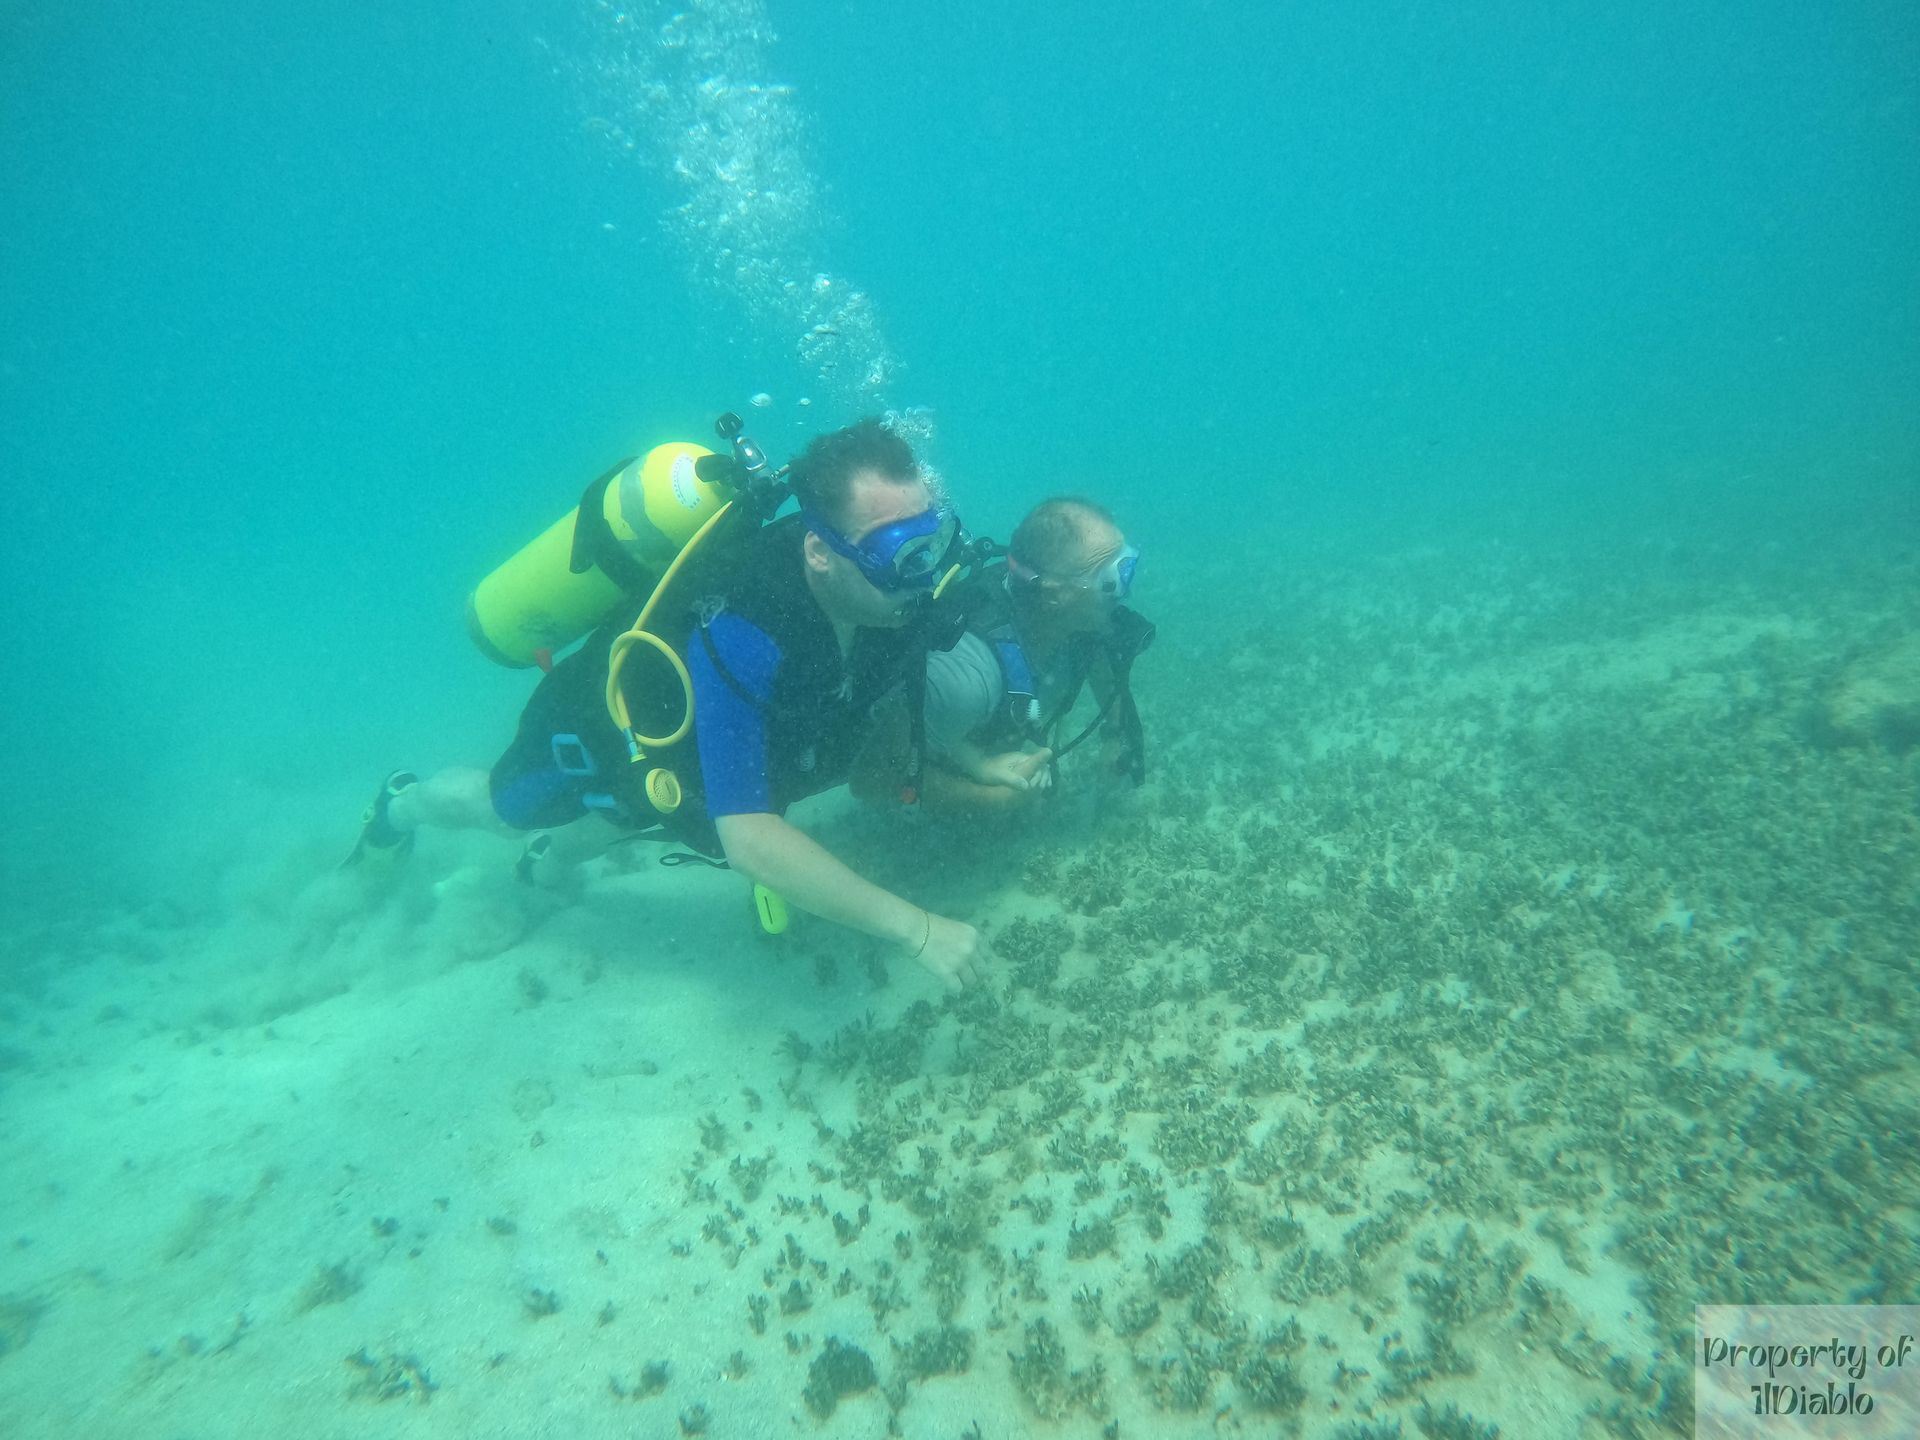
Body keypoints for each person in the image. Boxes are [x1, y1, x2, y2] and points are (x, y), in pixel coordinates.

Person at [347, 419, 983, 991]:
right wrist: (916, 930)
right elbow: (749, 838)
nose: (925, 572)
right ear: (820, 553)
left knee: (624, 817)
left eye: (930, 540)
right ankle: (404, 804)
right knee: (507, 809)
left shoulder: (886, 597)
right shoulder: (746, 627)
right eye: (898, 551)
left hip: (673, 765)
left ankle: (550, 862)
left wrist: (979, 762)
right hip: (595, 730)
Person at [852, 496, 1152, 814]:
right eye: (1111, 580)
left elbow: (1104, 671)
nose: (1125, 589)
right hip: (933, 754)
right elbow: (869, 778)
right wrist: (989, 800)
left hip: (970, 734)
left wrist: (1115, 736)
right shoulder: (965, 678)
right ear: (1054, 595)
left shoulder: (1081, 623)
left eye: (1128, 565)